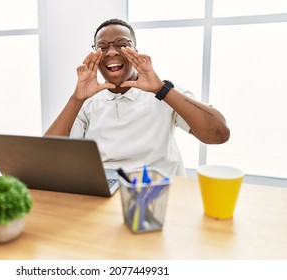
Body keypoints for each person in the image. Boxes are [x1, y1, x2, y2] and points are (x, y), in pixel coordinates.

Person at [44, 18, 230, 176]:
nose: (111, 52)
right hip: (107, 195)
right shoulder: (87, 103)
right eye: (102, 47)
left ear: (135, 51)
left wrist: (160, 89)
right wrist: (77, 99)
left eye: (122, 44)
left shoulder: (164, 91)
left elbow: (219, 134)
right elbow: (47, 158)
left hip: (161, 193)